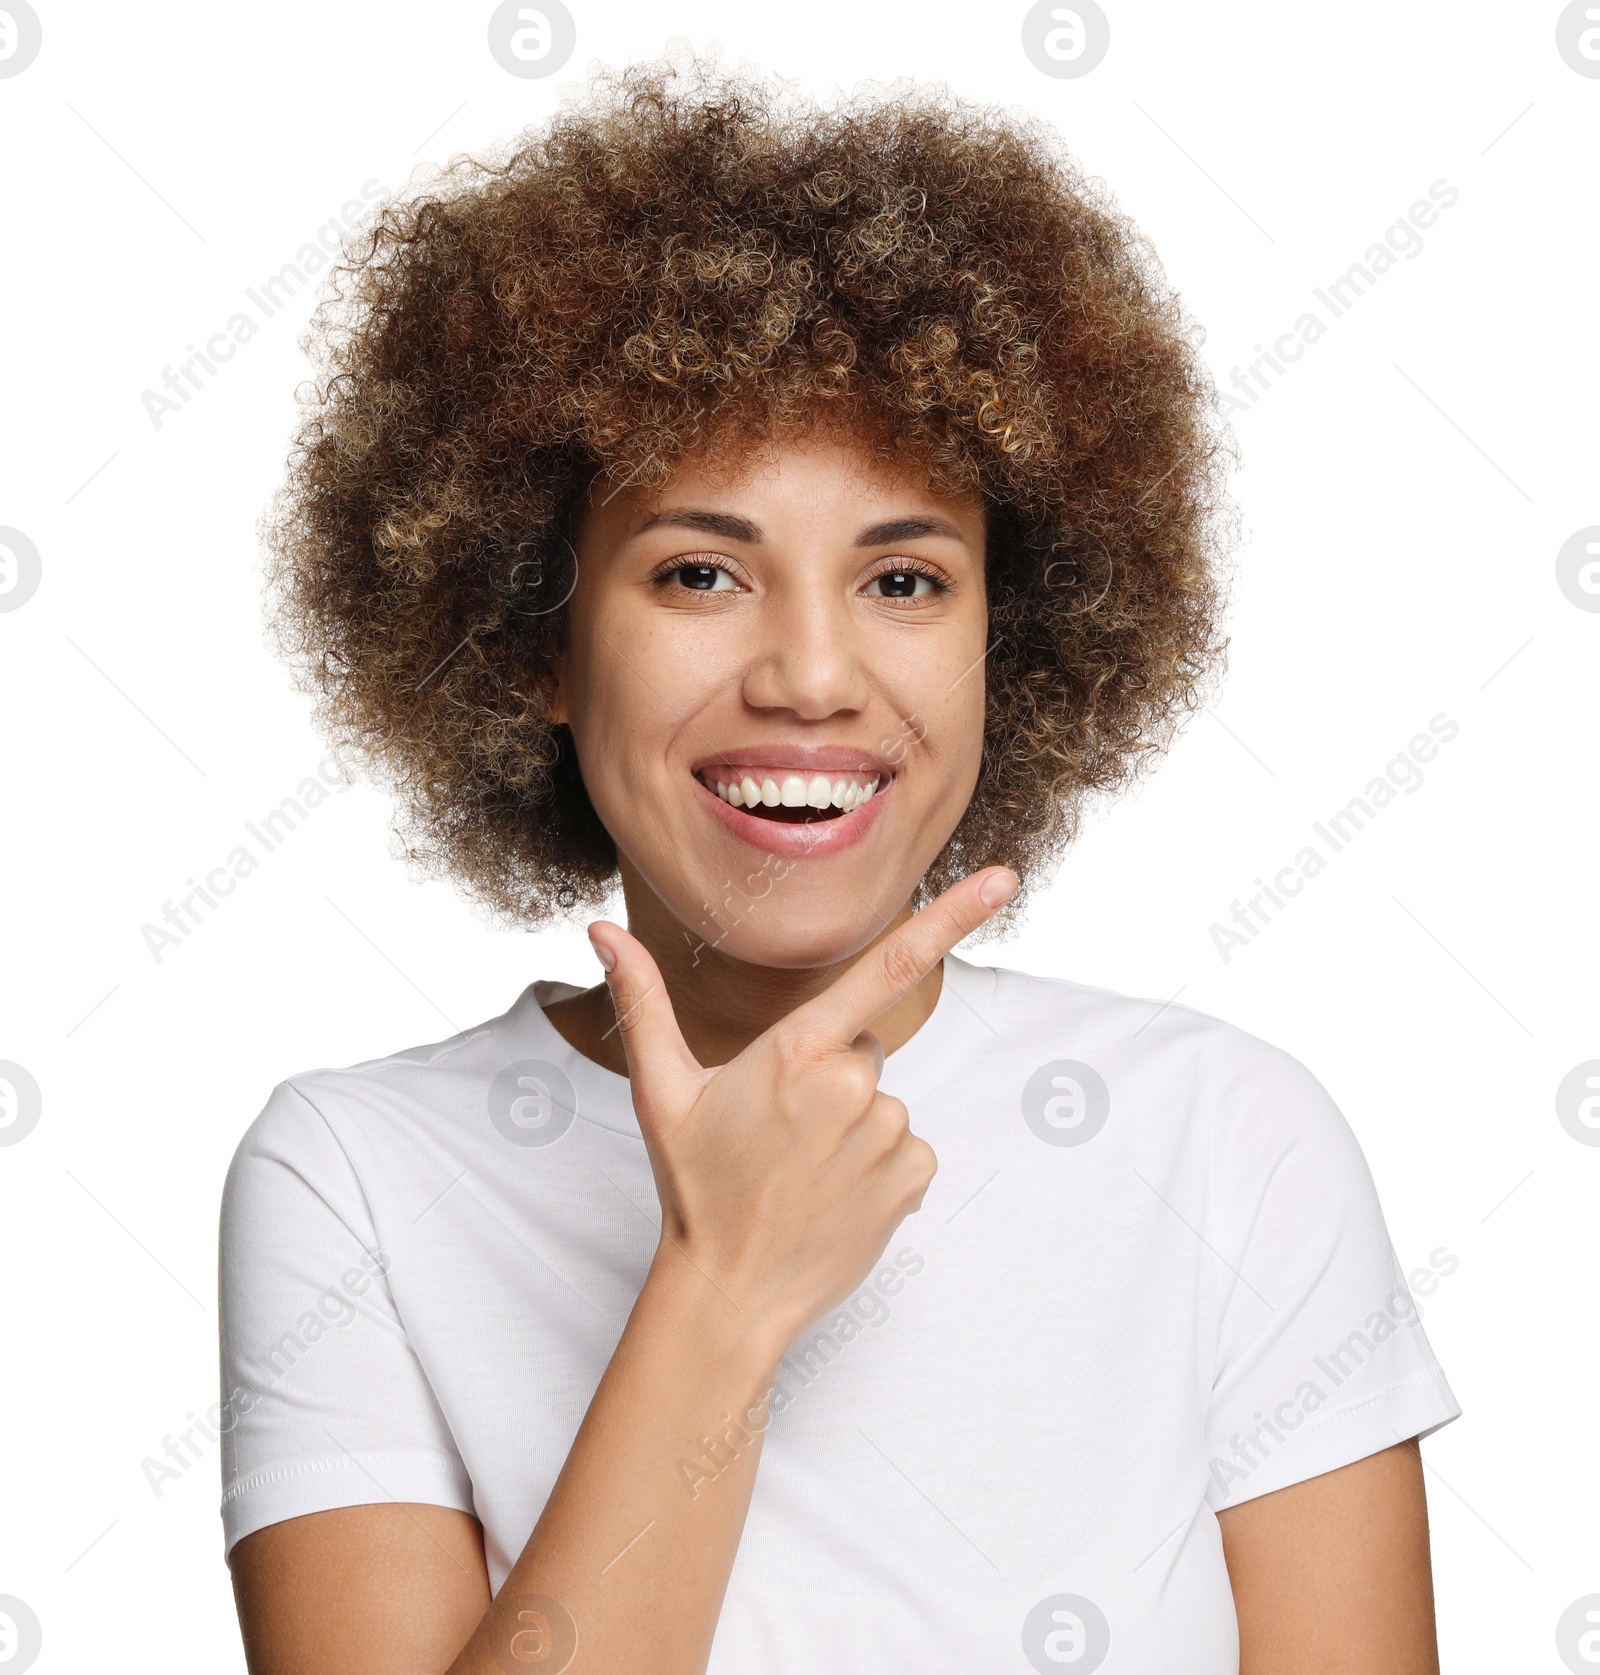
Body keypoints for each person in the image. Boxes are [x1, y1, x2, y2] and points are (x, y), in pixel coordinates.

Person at [219, 56, 1459, 1675]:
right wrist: (722, 1293)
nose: (811, 674)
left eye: (903, 581)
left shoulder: (1229, 1140)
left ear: (1009, 636)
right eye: (698, 570)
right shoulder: (356, 1179)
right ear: (538, 638)